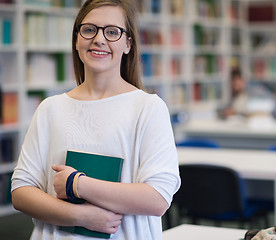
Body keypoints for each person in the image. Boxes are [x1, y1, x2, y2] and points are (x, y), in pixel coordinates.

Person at [11, 0, 180, 239]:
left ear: (128, 44)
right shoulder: (50, 108)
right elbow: (20, 192)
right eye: (89, 29)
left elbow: (158, 199)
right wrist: (80, 216)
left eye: (112, 32)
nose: (99, 39)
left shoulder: (148, 108)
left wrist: (77, 184)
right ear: (77, 39)